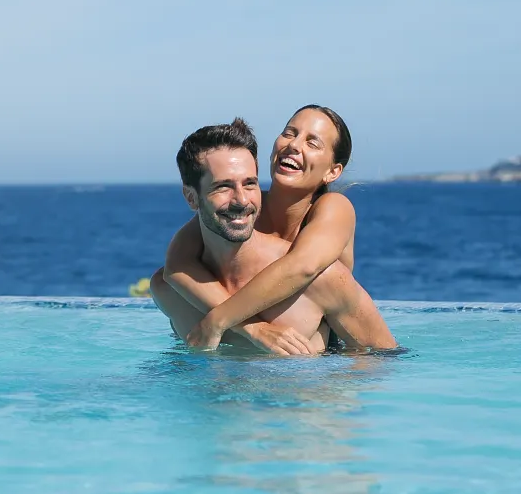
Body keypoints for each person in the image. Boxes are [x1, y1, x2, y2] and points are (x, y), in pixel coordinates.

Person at [149, 111, 398, 355]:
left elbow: (303, 267)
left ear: (332, 172)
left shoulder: (333, 208)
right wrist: (252, 328)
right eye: (289, 133)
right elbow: (176, 265)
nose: (294, 145)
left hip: (323, 335)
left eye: (313, 143)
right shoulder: (245, 207)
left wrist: (219, 320)